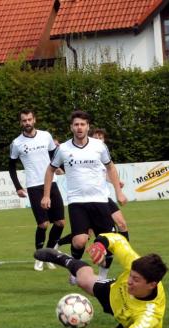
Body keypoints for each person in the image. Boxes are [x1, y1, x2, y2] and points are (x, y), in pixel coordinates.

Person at [35, 233, 168, 328]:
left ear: (152, 284)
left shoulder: (150, 317)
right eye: (130, 275)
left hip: (129, 325)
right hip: (115, 294)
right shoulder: (134, 266)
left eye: (136, 279)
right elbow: (117, 240)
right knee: (83, 280)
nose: (129, 281)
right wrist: (100, 244)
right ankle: (62, 258)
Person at [41, 110, 127, 282]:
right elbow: (50, 169)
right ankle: (75, 270)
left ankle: (102, 276)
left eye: (82, 124)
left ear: (88, 127)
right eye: (76, 124)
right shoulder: (63, 149)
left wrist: (118, 191)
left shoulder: (99, 146)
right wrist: (46, 195)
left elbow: (110, 167)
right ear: (71, 127)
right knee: (79, 241)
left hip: (100, 200)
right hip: (77, 202)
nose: (79, 127)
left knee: (106, 241)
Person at [9, 109, 66, 271]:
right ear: (21, 123)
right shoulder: (17, 143)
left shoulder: (46, 136)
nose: (27, 123)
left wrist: (60, 168)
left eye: (29, 119)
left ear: (34, 120)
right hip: (34, 186)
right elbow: (11, 166)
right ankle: (39, 256)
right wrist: (18, 187)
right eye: (24, 120)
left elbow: (54, 155)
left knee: (60, 222)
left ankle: (49, 253)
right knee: (43, 224)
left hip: (51, 182)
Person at [56, 127, 130, 248]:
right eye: (96, 137)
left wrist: (116, 183)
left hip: (103, 198)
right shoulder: (88, 154)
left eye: (101, 137)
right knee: (85, 235)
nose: (99, 139)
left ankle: (126, 251)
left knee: (121, 223)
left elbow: (105, 174)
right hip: (88, 200)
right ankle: (58, 243)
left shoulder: (102, 154)